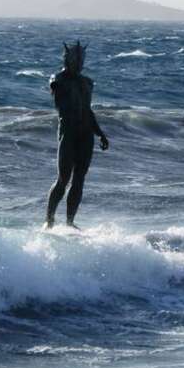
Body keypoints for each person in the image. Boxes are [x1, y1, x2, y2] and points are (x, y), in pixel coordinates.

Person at [45, 41, 109, 229]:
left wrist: (100, 133)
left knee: (79, 179)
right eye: (76, 59)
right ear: (67, 59)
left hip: (86, 134)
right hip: (68, 132)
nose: (80, 63)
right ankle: (49, 220)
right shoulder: (58, 79)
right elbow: (53, 85)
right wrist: (56, 85)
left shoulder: (87, 82)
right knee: (63, 178)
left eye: (82, 59)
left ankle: (70, 222)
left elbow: (88, 110)